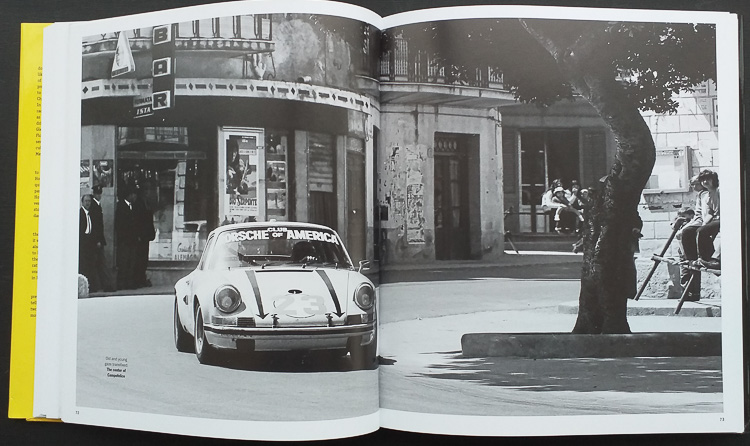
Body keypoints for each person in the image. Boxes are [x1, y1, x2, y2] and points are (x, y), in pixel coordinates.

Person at [88, 185, 114, 292]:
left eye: (100, 194)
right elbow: (96, 225)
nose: (99, 196)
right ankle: (104, 284)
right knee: (100, 263)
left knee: (99, 262)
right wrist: (98, 240)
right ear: (94, 194)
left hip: (98, 239)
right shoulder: (94, 206)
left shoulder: (96, 205)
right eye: (97, 194)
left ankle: (101, 285)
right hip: (96, 240)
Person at [115, 186, 139, 289]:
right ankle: (122, 283)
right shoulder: (121, 207)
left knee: (131, 262)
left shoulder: (132, 207)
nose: (135, 197)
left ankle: (129, 282)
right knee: (124, 262)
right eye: (134, 195)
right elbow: (120, 225)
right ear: (129, 195)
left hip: (132, 240)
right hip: (125, 241)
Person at [132, 187, 156, 288]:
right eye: (146, 190)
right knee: (140, 259)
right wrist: (139, 235)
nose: (148, 192)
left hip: (146, 236)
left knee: (143, 259)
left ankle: (141, 278)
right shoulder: (139, 204)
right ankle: (139, 279)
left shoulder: (146, 203)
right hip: (141, 236)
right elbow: (138, 221)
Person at [79, 192, 98, 288]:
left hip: (90, 242)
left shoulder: (90, 214)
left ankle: (91, 285)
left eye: (89, 201)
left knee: (91, 264)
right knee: (84, 265)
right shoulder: (80, 214)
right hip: (83, 242)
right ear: (82, 202)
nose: (88, 203)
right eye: (86, 201)